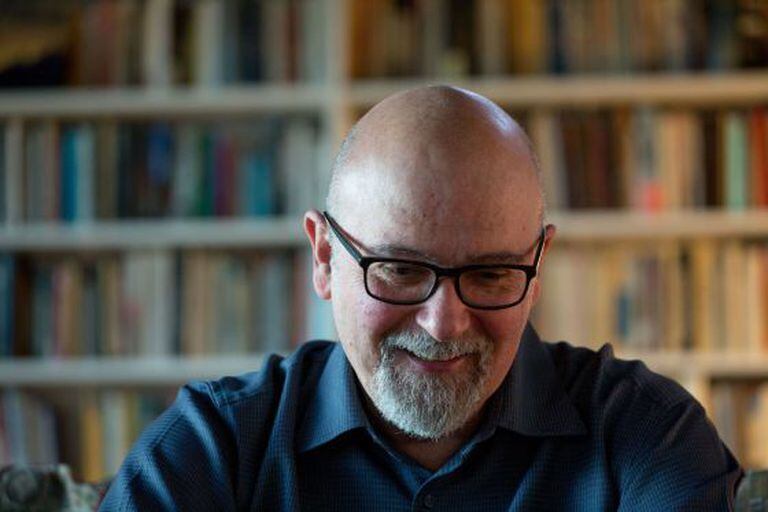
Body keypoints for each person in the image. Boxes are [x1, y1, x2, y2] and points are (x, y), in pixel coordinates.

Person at [99, 86, 742, 511]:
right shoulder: (214, 449)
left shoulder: (646, 437)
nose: (443, 324)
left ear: (538, 265)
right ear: (323, 258)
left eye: (491, 274)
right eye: (401, 271)